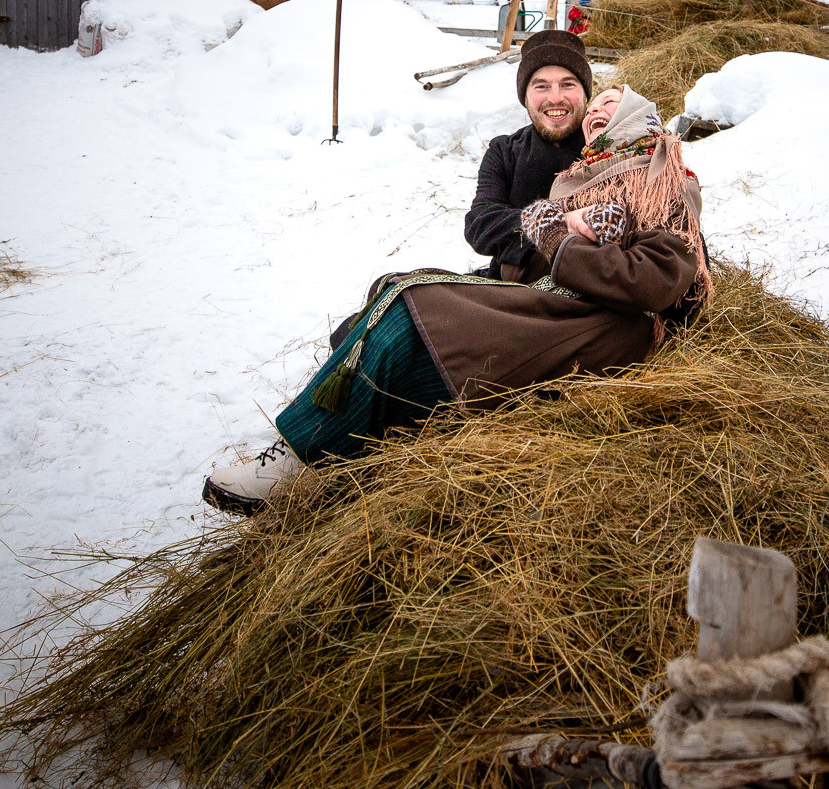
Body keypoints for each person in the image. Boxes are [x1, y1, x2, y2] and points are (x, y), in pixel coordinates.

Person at [203, 84, 710, 515]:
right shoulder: (584, 173)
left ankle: (295, 456)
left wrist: (559, 238)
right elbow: (502, 231)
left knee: (413, 311)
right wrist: (544, 229)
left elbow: (661, 278)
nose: (597, 110)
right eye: (596, 103)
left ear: (638, 118)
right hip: (561, 304)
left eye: (612, 103)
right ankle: (341, 446)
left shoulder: (659, 176)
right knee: (401, 288)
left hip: (604, 325)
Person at [462, 29, 593, 281]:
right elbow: (480, 224)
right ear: (525, 96)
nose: (556, 98)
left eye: (568, 84)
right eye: (541, 87)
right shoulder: (503, 151)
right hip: (511, 292)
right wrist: (557, 224)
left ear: (585, 92)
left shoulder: (610, 147)